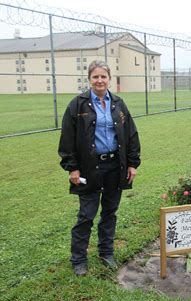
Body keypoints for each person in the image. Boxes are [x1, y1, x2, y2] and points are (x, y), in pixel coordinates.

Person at [58, 60, 141, 276]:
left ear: (109, 79)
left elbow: (131, 134)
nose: (100, 80)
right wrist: (72, 168)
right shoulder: (77, 105)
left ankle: (106, 253)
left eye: (103, 76)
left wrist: (132, 163)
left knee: (110, 212)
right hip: (89, 168)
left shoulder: (118, 104)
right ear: (89, 79)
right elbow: (67, 139)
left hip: (116, 166)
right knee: (86, 214)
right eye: (95, 77)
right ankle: (78, 260)